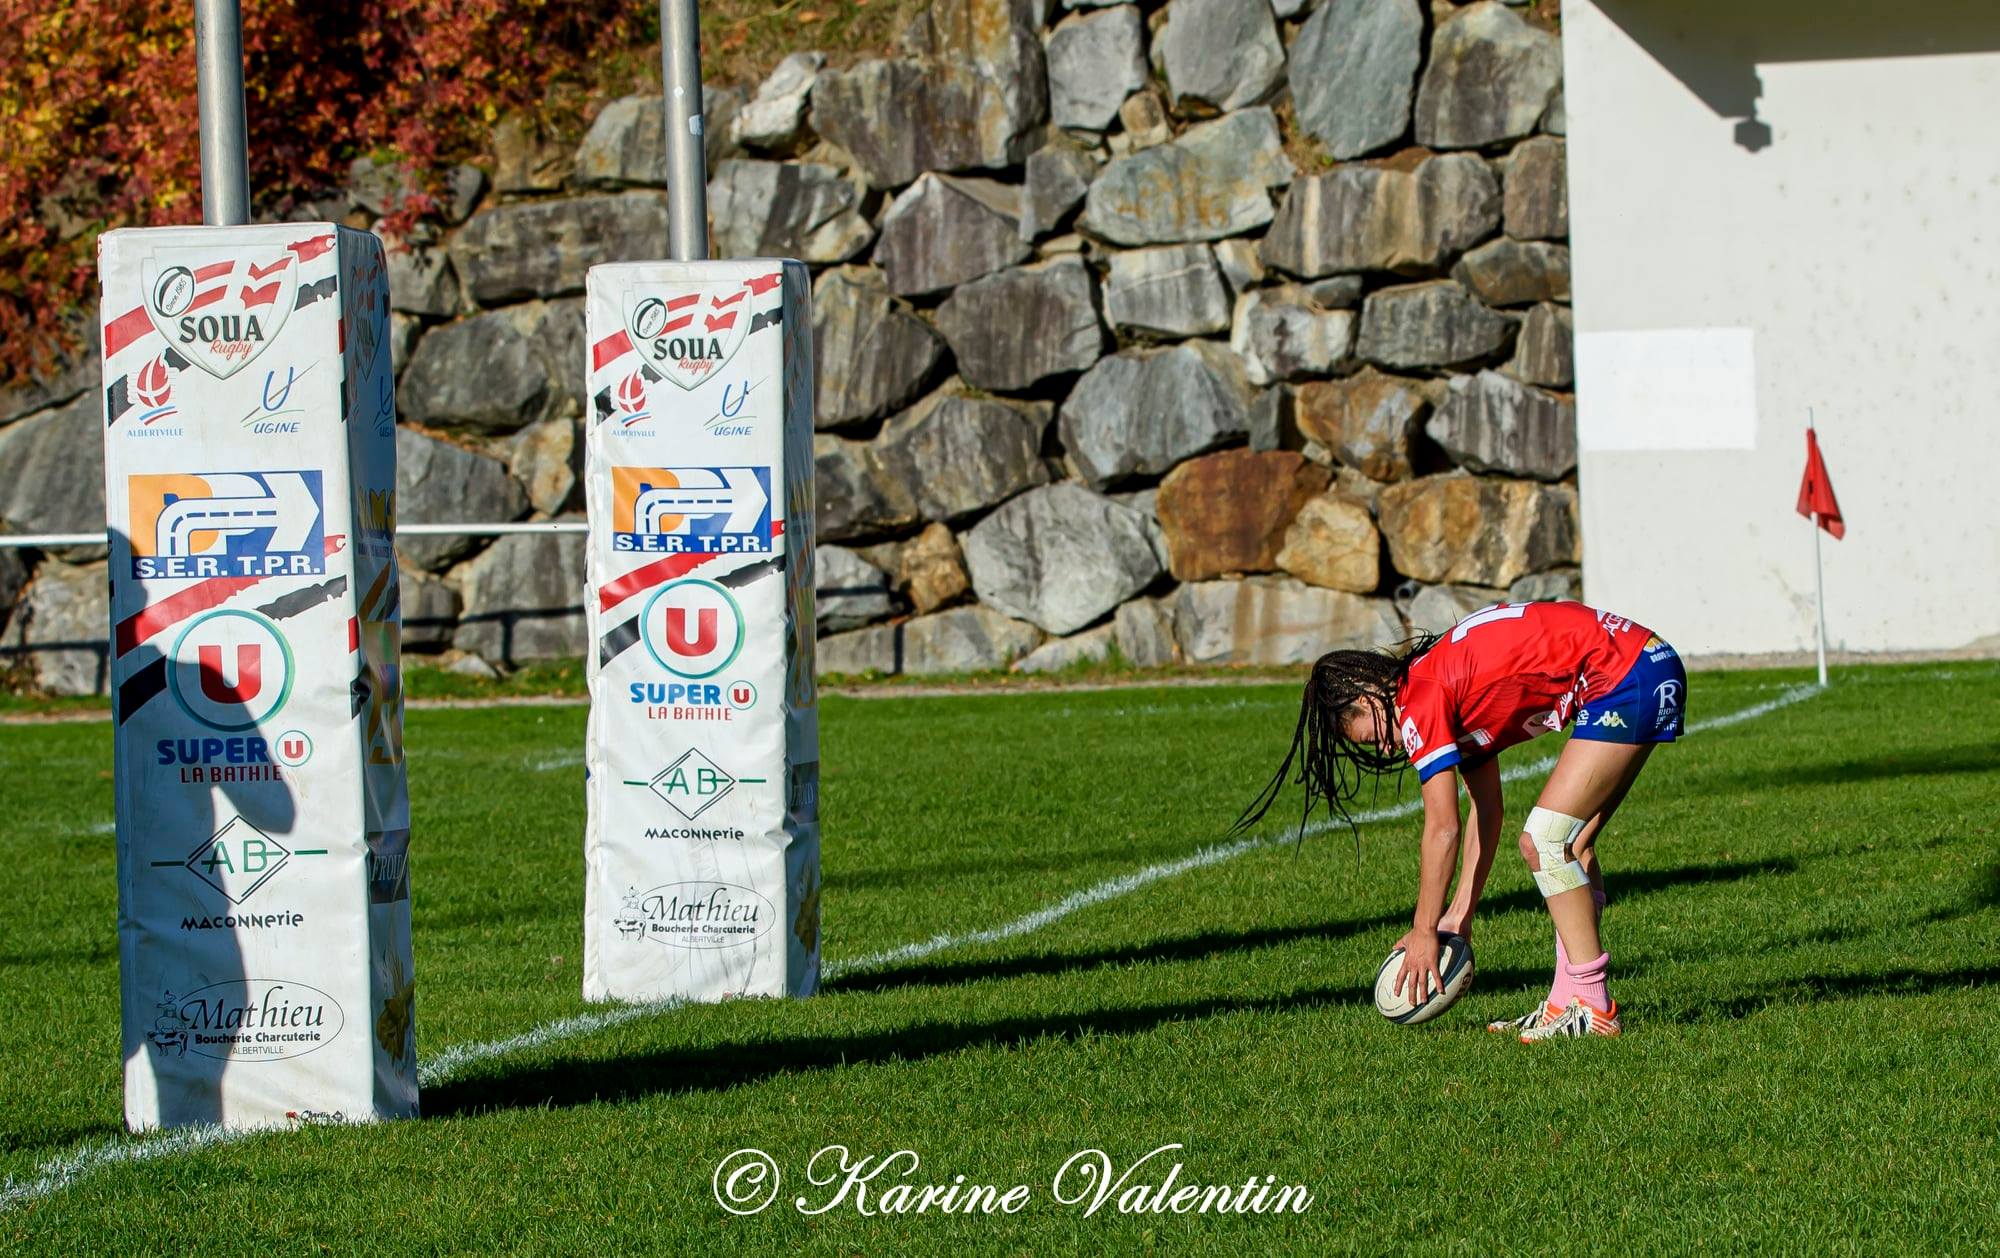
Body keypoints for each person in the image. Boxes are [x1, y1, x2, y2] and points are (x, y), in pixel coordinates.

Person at [1236, 601, 1688, 1040]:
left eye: (1374, 739)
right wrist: (1459, 914)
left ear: (1366, 695)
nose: (1387, 749)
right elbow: (1486, 812)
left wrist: (1423, 930)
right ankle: (1565, 1002)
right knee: (1572, 843)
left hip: (1624, 675)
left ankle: (1593, 1006)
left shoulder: (1419, 697)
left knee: (1546, 842)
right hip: (1645, 661)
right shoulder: (1442, 688)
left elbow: (1443, 828)